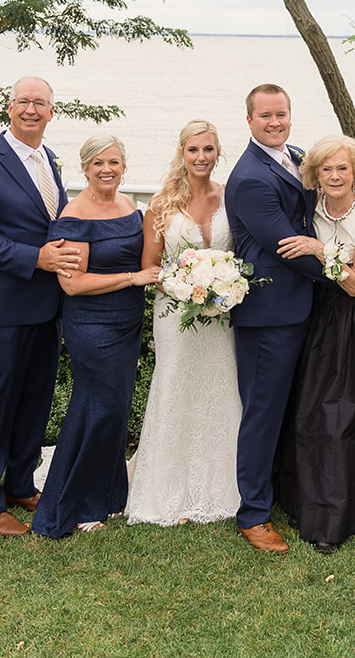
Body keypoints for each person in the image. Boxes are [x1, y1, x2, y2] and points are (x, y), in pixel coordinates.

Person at [0, 76, 82, 537]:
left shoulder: (49, 160)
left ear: (52, 111)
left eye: (40, 103)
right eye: (23, 101)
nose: (31, 109)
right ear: (8, 108)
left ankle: (20, 484)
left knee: (33, 402)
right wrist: (37, 258)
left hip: (44, 309)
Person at [34, 136, 161, 536]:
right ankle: (70, 503)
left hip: (127, 320)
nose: (107, 169)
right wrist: (133, 278)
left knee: (117, 408)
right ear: (85, 168)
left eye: (115, 162)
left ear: (124, 166)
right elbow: (72, 285)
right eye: (98, 163)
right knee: (98, 405)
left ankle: (109, 495)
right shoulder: (76, 215)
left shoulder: (130, 208)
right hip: (92, 322)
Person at [223, 84, 328, 553]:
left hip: (299, 307)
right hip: (268, 313)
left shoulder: (299, 156)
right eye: (264, 115)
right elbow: (287, 246)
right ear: (249, 121)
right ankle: (253, 514)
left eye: (281, 113)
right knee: (263, 413)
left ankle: (281, 492)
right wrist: (342, 273)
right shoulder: (249, 177)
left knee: (290, 408)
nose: (274, 122)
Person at [127, 120, 244, 525]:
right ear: (182, 153)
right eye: (193, 150)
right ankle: (167, 488)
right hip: (175, 314)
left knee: (220, 389)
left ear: (218, 153)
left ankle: (223, 485)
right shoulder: (161, 204)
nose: (201, 158)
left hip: (223, 314)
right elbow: (149, 266)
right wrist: (188, 286)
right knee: (177, 386)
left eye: (208, 150)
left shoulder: (232, 198)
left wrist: (220, 290)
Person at [276, 134, 355, 552]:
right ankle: (305, 500)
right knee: (307, 411)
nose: (336, 175)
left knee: (342, 414)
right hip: (315, 312)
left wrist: (321, 250)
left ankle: (342, 512)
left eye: (343, 168)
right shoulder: (310, 206)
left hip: (351, 319)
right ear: (316, 174)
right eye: (327, 169)